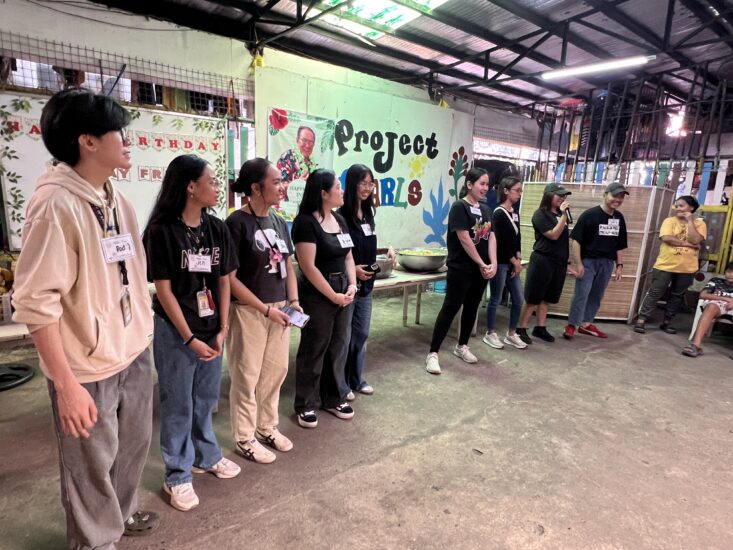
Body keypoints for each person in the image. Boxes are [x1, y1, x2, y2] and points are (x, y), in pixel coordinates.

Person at [11, 88, 160, 548]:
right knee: (90, 466)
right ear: (87, 141)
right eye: (118, 132)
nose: (128, 141)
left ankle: (121, 514)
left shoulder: (115, 199)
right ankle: (96, 541)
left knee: (131, 449)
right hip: (87, 367)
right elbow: (36, 304)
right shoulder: (55, 206)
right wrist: (66, 384)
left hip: (132, 350)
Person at [143, 154, 240, 512]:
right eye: (211, 182)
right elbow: (164, 291)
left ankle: (206, 456)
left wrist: (222, 328)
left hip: (212, 330)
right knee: (178, 403)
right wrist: (189, 338)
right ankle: (177, 474)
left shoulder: (217, 228)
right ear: (190, 187)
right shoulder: (161, 231)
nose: (217, 188)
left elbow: (224, 281)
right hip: (176, 332)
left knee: (205, 399)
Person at [225, 158, 301, 463]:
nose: (282, 187)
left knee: (276, 371)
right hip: (248, 311)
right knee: (246, 376)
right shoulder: (236, 223)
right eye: (276, 181)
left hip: (280, 309)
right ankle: (244, 437)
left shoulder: (279, 222)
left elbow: (288, 266)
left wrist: (293, 301)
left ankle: (266, 427)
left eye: (281, 181)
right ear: (256, 188)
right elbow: (230, 280)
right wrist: (264, 310)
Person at [292, 169, 357, 428]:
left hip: (343, 291)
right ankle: (306, 403)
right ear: (323, 193)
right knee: (314, 346)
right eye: (338, 187)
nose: (342, 191)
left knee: (338, 345)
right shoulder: (305, 223)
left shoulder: (339, 219)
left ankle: (333, 397)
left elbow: (349, 257)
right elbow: (308, 267)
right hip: (318, 294)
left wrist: (352, 285)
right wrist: (333, 295)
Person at [426, 167, 496, 375]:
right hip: (461, 268)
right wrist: (481, 263)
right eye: (482, 183)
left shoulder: (486, 209)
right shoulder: (459, 207)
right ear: (469, 184)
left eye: (487, 184)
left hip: (481, 270)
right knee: (451, 307)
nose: (485, 188)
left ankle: (462, 346)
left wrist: (492, 262)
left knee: (472, 307)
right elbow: (464, 239)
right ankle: (433, 353)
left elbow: (491, 237)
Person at [337, 164, 395, 399]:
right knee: (344, 337)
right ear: (352, 184)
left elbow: (367, 243)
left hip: (367, 286)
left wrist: (388, 248)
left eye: (371, 184)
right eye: (362, 183)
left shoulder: (369, 214)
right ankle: (341, 384)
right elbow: (337, 253)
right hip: (348, 286)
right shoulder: (340, 216)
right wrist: (353, 270)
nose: (367, 188)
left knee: (361, 334)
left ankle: (356, 379)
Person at [564, 182, 629, 339]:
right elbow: (576, 241)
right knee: (581, 294)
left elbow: (620, 245)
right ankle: (572, 324)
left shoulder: (619, 218)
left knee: (596, 295)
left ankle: (586, 324)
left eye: (621, 197)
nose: (618, 200)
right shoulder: (590, 215)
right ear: (605, 194)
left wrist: (619, 265)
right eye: (615, 195)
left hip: (607, 263)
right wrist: (579, 263)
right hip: (588, 261)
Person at [635, 195, 706, 334]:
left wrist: (690, 221)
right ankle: (641, 320)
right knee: (655, 292)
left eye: (682, 206)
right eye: (677, 206)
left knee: (677, 295)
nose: (678, 208)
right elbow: (667, 238)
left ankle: (667, 322)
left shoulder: (700, 224)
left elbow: (696, 240)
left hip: (687, 267)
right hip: (665, 265)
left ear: (691, 208)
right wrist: (688, 244)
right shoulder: (669, 221)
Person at [516, 183, 572, 345]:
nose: (562, 198)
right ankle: (521, 328)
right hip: (542, 260)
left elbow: (563, 241)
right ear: (548, 195)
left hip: (558, 262)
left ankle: (540, 327)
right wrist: (564, 215)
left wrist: (567, 261)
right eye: (559, 195)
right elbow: (553, 235)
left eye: (564, 196)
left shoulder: (561, 215)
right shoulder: (540, 214)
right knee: (533, 297)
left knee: (547, 297)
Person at [483, 176, 526, 350]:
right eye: (517, 190)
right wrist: (514, 262)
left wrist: (518, 258)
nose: (519, 193)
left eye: (521, 190)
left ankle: (511, 333)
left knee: (518, 298)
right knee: (496, 298)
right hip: (500, 262)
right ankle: (490, 332)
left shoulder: (515, 212)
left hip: (512, 262)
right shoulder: (498, 213)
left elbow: (517, 238)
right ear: (506, 191)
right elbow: (500, 242)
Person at [683, 263, 733, 357]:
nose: (731, 274)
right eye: (729, 271)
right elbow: (703, 294)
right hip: (717, 305)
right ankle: (696, 346)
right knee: (711, 307)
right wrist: (726, 299)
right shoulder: (716, 281)